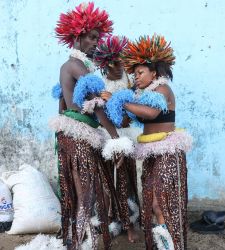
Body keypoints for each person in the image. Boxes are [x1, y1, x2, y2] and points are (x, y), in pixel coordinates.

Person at [105, 35, 193, 249]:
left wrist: (122, 101)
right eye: (134, 73)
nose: (136, 77)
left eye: (140, 72)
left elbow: (152, 114)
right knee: (153, 203)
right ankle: (164, 243)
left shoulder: (162, 90)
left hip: (167, 152)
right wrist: (109, 104)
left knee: (161, 204)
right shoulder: (143, 95)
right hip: (152, 153)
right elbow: (130, 118)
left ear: (155, 72)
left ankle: (169, 246)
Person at [49, 3, 125, 250]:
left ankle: (78, 240)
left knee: (82, 193)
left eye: (98, 38)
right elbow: (97, 104)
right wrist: (115, 140)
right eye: (92, 37)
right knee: (86, 194)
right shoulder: (75, 65)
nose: (96, 43)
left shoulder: (74, 66)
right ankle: (80, 243)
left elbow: (63, 104)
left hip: (74, 134)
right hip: (78, 135)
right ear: (78, 35)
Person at [93, 35, 140, 243]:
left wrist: (122, 110)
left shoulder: (129, 81)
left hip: (125, 135)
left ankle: (129, 223)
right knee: (106, 182)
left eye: (122, 62)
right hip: (105, 136)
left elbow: (129, 115)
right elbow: (99, 114)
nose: (120, 67)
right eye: (115, 64)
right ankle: (110, 219)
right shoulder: (99, 84)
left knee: (125, 180)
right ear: (105, 65)